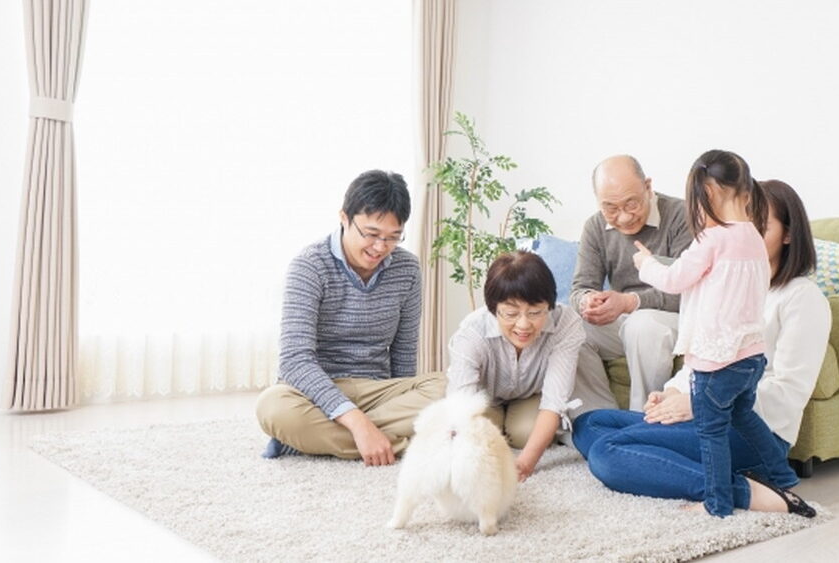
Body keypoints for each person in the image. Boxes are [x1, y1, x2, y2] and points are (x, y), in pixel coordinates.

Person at [573, 174, 828, 518]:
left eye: (759, 227)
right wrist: (672, 394)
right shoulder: (723, 284)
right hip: (706, 413)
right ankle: (703, 469)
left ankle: (745, 492)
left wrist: (699, 404)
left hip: (754, 432)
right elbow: (700, 356)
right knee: (589, 424)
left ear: (788, 234)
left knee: (607, 452)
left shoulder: (801, 297)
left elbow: (789, 390)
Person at [255, 170, 445, 466]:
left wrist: (399, 401)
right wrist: (357, 422)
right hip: (316, 391)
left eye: (393, 237)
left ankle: (318, 440)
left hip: (377, 391)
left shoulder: (407, 269)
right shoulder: (309, 267)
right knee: (272, 407)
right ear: (344, 218)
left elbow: (404, 351)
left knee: (455, 387)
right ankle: (384, 439)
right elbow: (294, 361)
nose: (380, 247)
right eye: (370, 234)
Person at [446, 251, 614, 481]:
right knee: (479, 434)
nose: (524, 325)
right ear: (493, 309)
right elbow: (461, 406)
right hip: (483, 397)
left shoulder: (566, 323)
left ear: (550, 305)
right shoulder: (472, 332)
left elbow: (554, 401)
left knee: (526, 433)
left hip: (529, 395)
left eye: (536, 312)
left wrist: (526, 462)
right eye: (511, 313)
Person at [571, 155, 694, 411]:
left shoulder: (682, 216)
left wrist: (630, 302)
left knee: (643, 324)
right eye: (611, 208)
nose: (624, 217)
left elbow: (689, 292)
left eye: (632, 204)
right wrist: (588, 301)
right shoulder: (594, 227)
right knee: (565, 324)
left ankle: (643, 420)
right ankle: (599, 417)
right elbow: (580, 287)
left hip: (674, 318)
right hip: (625, 319)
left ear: (648, 187)